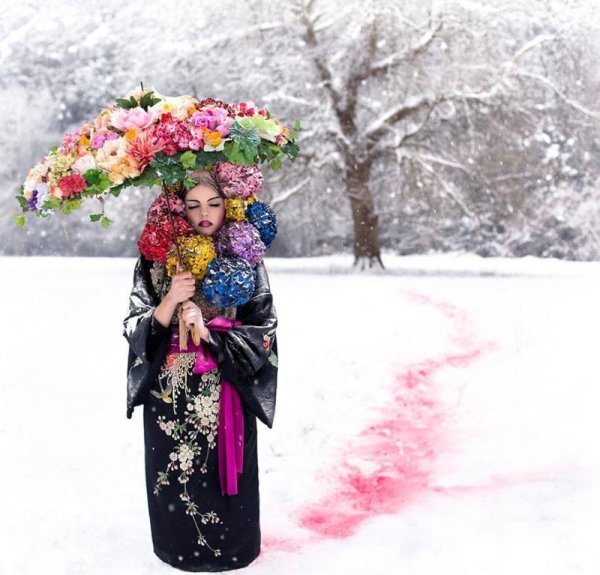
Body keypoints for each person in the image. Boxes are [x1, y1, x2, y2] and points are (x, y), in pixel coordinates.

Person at [123, 168, 278, 572]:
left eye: (214, 203)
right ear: (179, 209)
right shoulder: (156, 258)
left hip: (225, 382)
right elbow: (133, 326)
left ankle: (233, 550)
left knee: (225, 474)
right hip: (169, 389)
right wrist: (171, 299)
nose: (204, 213)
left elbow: (263, 328)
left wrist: (209, 334)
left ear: (229, 204)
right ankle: (176, 548)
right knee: (175, 471)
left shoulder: (246, 257)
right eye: (193, 205)